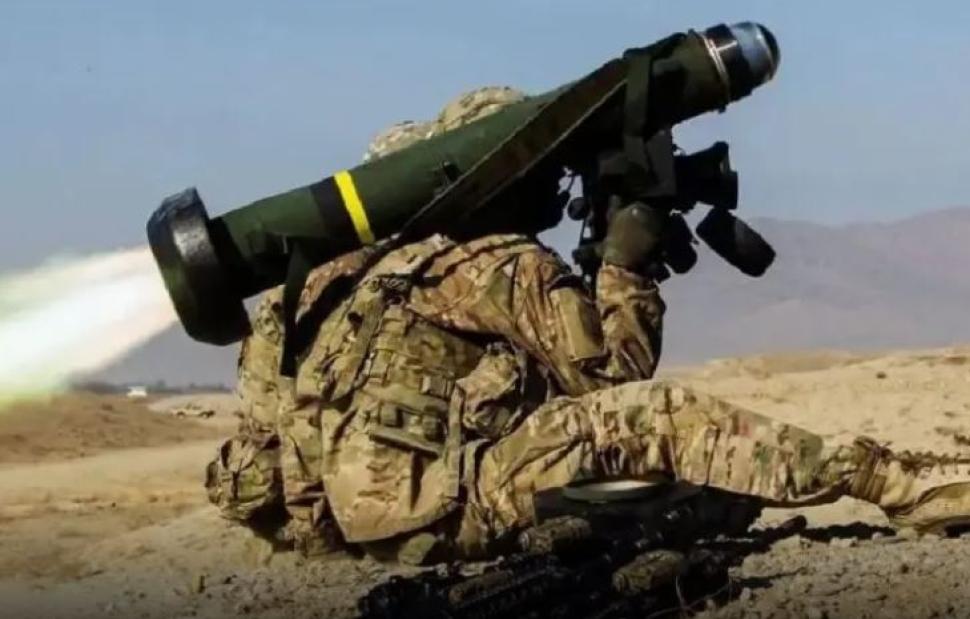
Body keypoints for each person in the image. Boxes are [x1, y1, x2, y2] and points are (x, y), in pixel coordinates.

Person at [206, 87, 970, 564]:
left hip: (338, 527)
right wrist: (625, 265)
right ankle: (899, 485)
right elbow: (612, 381)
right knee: (651, 419)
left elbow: (265, 412)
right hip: (446, 509)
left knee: (678, 492)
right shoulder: (494, 264)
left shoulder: (324, 274)